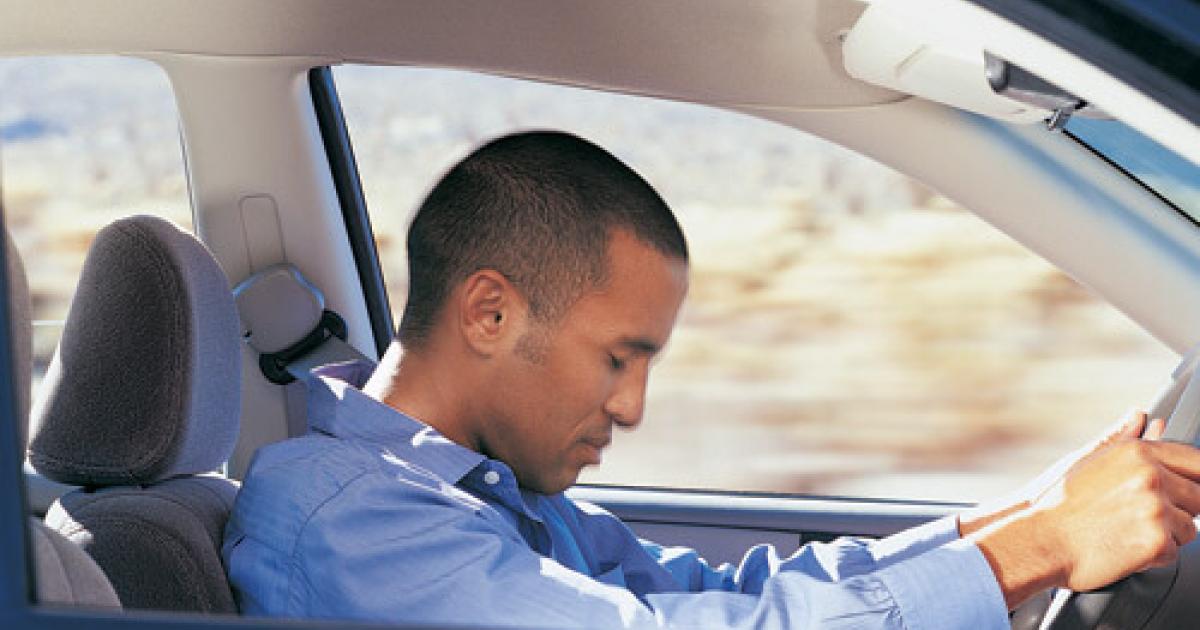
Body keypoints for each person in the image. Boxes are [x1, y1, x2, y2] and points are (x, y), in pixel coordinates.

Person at [223, 130, 1200, 628]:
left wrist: (1027, 514)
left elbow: (726, 593)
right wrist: (1042, 547)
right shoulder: (349, 517)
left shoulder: (488, 494)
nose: (632, 407)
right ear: (489, 314)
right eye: (618, 357)